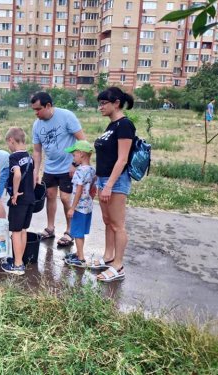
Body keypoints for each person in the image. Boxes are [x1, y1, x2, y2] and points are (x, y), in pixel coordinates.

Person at [31, 91, 86, 247]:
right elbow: (37, 151)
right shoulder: (37, 125)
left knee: (65, 198)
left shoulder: (66, 116)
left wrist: (75, 164)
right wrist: (36, 172)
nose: (36, 113)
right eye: (34, 110)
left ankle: (70, 231)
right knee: (50, 195)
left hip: (68, 167)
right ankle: (50, 228)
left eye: (38, 109)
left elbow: (82, 141)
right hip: (50, 167)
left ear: (48, 106)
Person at [93, 87, 135, 282]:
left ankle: (118, 265)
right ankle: (108, 256)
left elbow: (122, 159)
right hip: (103, 179)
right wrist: (98, 180)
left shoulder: (124, 125)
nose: (100, 107)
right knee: (107, 220)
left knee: (118, 224)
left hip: (116, 181)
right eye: (99, 103)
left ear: (116, 103)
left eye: (104, 103)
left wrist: (109, 185)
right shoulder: (111, 125)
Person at [1, 127, 35, 275]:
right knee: (23, 230)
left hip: (19, 200)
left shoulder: (14, 157)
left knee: (15, 231)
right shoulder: (30, 157)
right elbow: (33, 177)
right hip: (30, 198)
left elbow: (17, 174)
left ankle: (17, 265)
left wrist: (14, 194)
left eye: (8, 144)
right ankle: (20, 259)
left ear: (11, 140)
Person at [62, 141, 96, 268]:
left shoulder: (79, 171)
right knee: (80, 231)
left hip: (79, 207)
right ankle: (78, 252)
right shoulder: (92, 170)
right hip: (88, 206)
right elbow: (93, 185)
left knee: (77, 233)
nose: (73, 157)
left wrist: (72, 208)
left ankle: (80, 258)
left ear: (81, 154)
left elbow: (79, 190)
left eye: (74, 154)